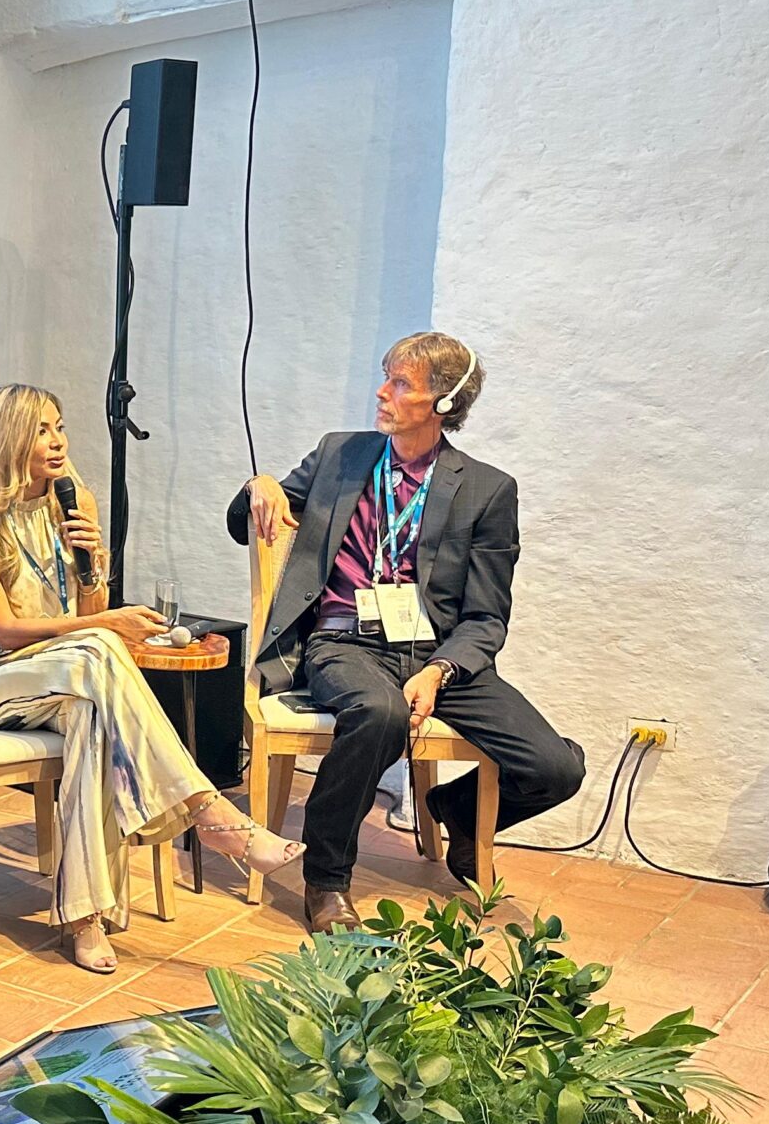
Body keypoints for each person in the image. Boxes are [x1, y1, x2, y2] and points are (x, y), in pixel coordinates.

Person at [227, 331, 586, 932]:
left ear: (443, 403)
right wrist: (255, 488)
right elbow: (250, 524)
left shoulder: (488, 490)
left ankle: (457, 811)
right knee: (379, 711)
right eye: (386, 376)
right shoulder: (341, 454)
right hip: (344, 642)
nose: (382, 391)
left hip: (440, 656)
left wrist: (440, 670)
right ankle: (327, 878)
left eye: (400, 383)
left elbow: (487, 615)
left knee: (556, 768)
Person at [0, 385, 303, 972]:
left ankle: (84, 918)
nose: (58, 442)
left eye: (60, 427)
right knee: (100, 648)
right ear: (9, 440)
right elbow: (4, 630)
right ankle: (210, 811)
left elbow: (88, 607)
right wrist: (105, 622)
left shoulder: (71, 500)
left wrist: (94, 562)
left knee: (92, 717)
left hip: (63, 672)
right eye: (42, 431)